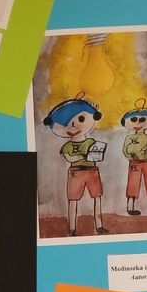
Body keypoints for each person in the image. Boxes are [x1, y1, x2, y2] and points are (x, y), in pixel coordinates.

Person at [43, 94, 108, 236]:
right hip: (75, 172)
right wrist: (83, 156)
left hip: (92, 171)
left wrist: (94, 155)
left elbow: (96, 156)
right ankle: (72, 228)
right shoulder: (67, 146)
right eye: (66, 124)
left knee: (97, 197)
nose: (73, 126)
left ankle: (99, 225)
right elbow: (69, 158)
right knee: (73, 200)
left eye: (80, 119)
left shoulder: (91, 142)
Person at [121, 101, 147, 217]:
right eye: (133, 120)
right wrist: (131, 155)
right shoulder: (129, 138)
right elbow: (125, 150)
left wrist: (135, 150)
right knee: (132, 184)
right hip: (134, 163)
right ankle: (130, 207)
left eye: (142, 120)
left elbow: (146, 145)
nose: (138, 123)